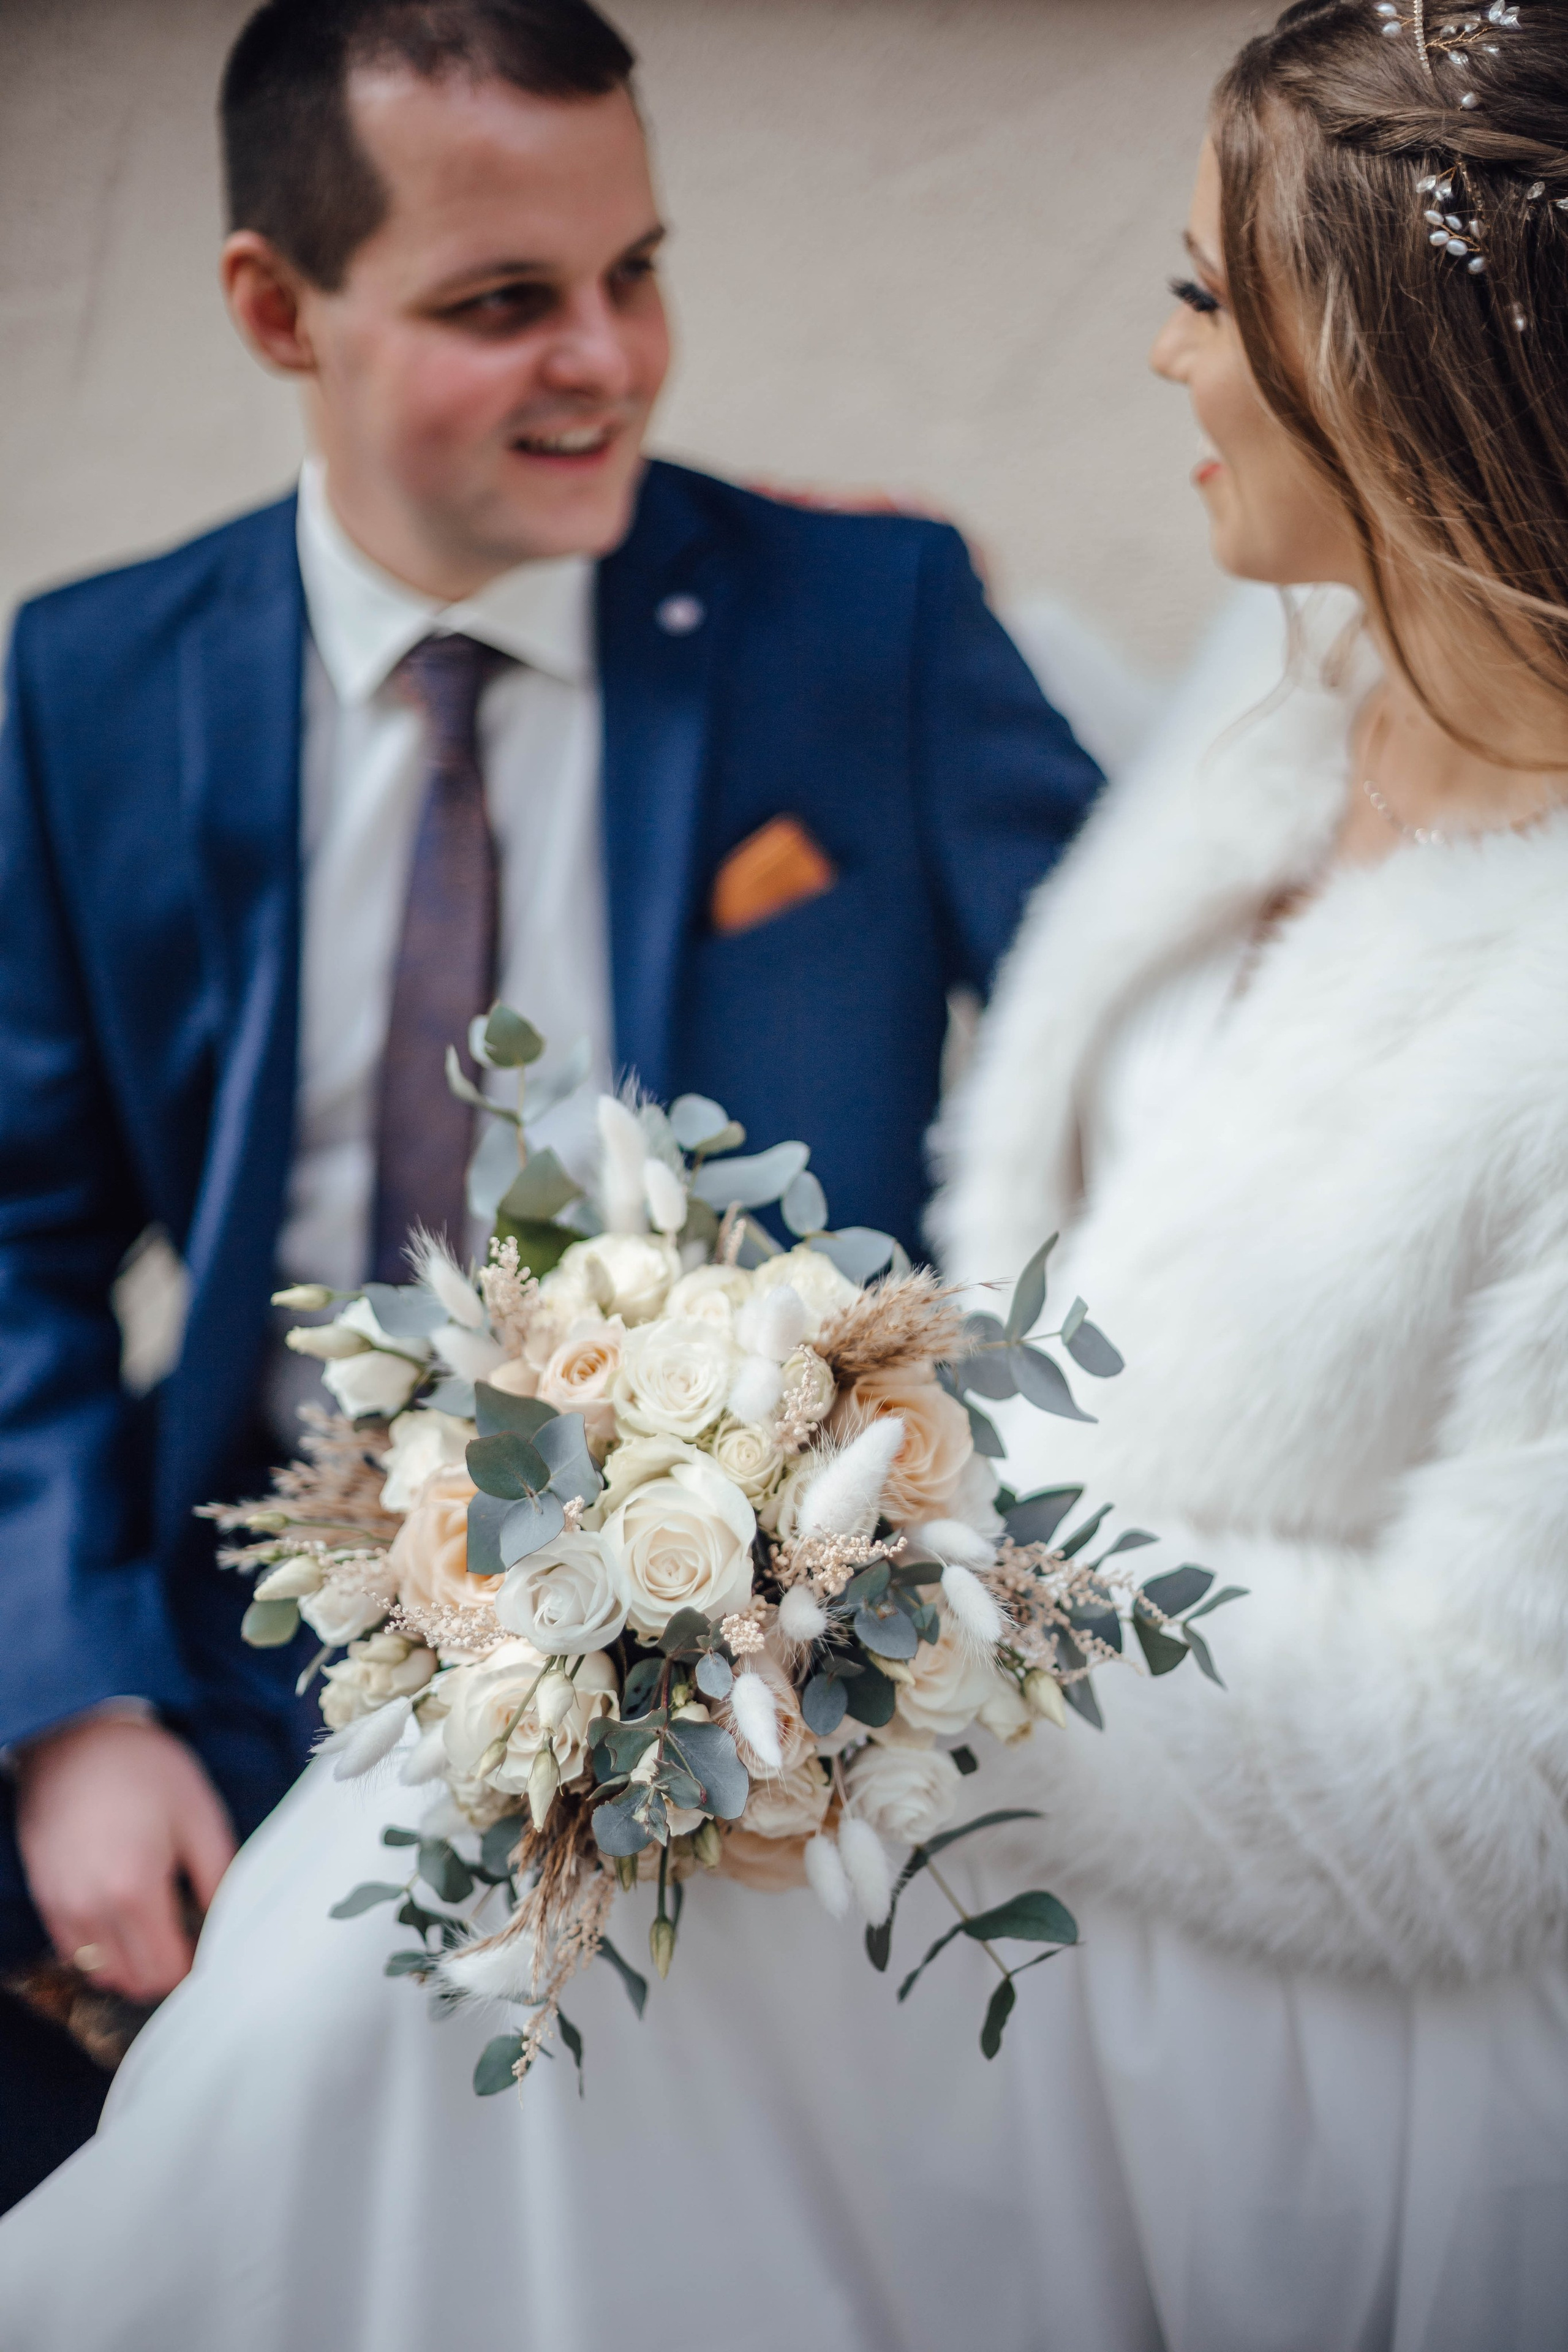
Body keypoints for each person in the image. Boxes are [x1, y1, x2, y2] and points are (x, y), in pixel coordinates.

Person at [0, 0, 1100, 2203]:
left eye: (637, 270)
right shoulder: (93, 679)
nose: (609, 357)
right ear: (273, 308)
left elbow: (1143, 1054)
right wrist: (77, 1711)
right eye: (507, 303)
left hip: (770, 1681)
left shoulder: (861, 615)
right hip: (230, 1639)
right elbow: (13, 1239)